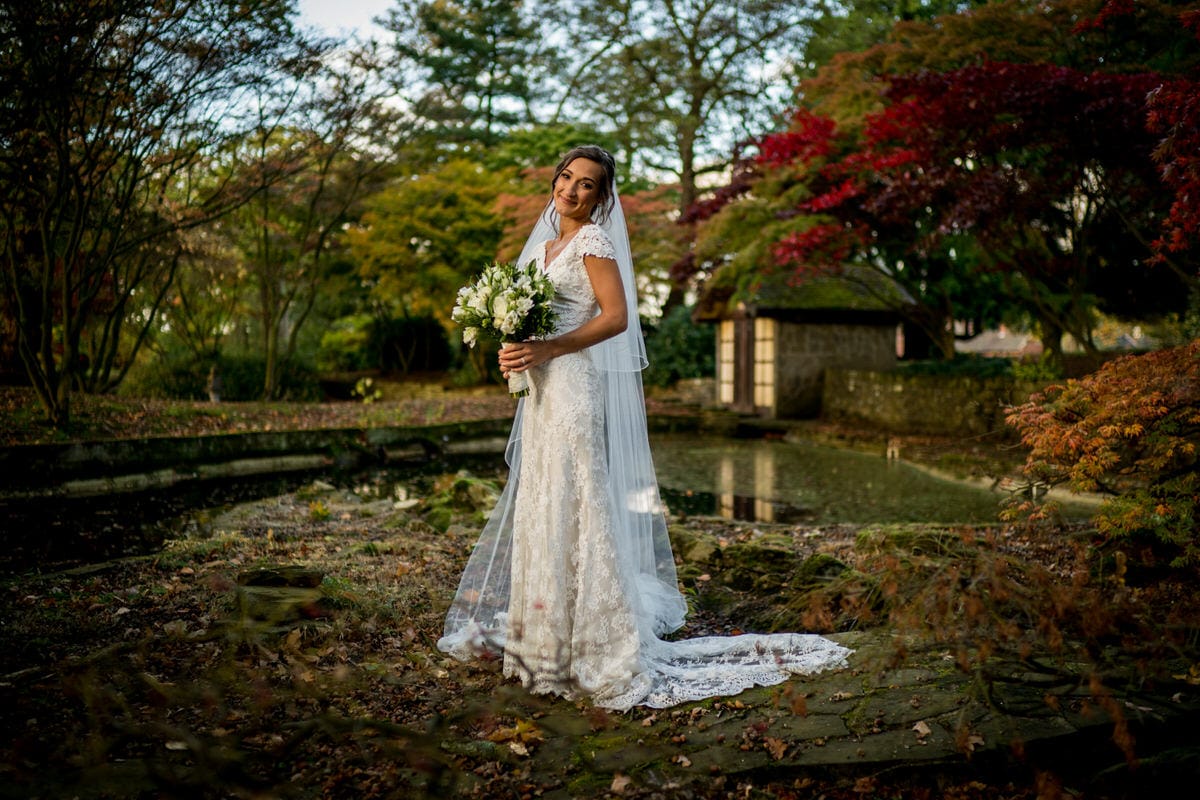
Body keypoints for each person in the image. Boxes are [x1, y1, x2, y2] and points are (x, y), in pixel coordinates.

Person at [437, 145, 850, 710]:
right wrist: (516, 349)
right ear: (554, 180)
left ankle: (592, 637)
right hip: (541, 390)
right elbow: (531, 319)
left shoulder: (592, 242)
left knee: (574, 496)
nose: (572, 190)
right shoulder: (544, 247)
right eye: (567, 177)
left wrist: (550, 346)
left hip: (574, 388)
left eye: (588, 185)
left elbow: (616, 317)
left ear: (603, 198)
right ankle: (544, 634)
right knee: (543, 497)